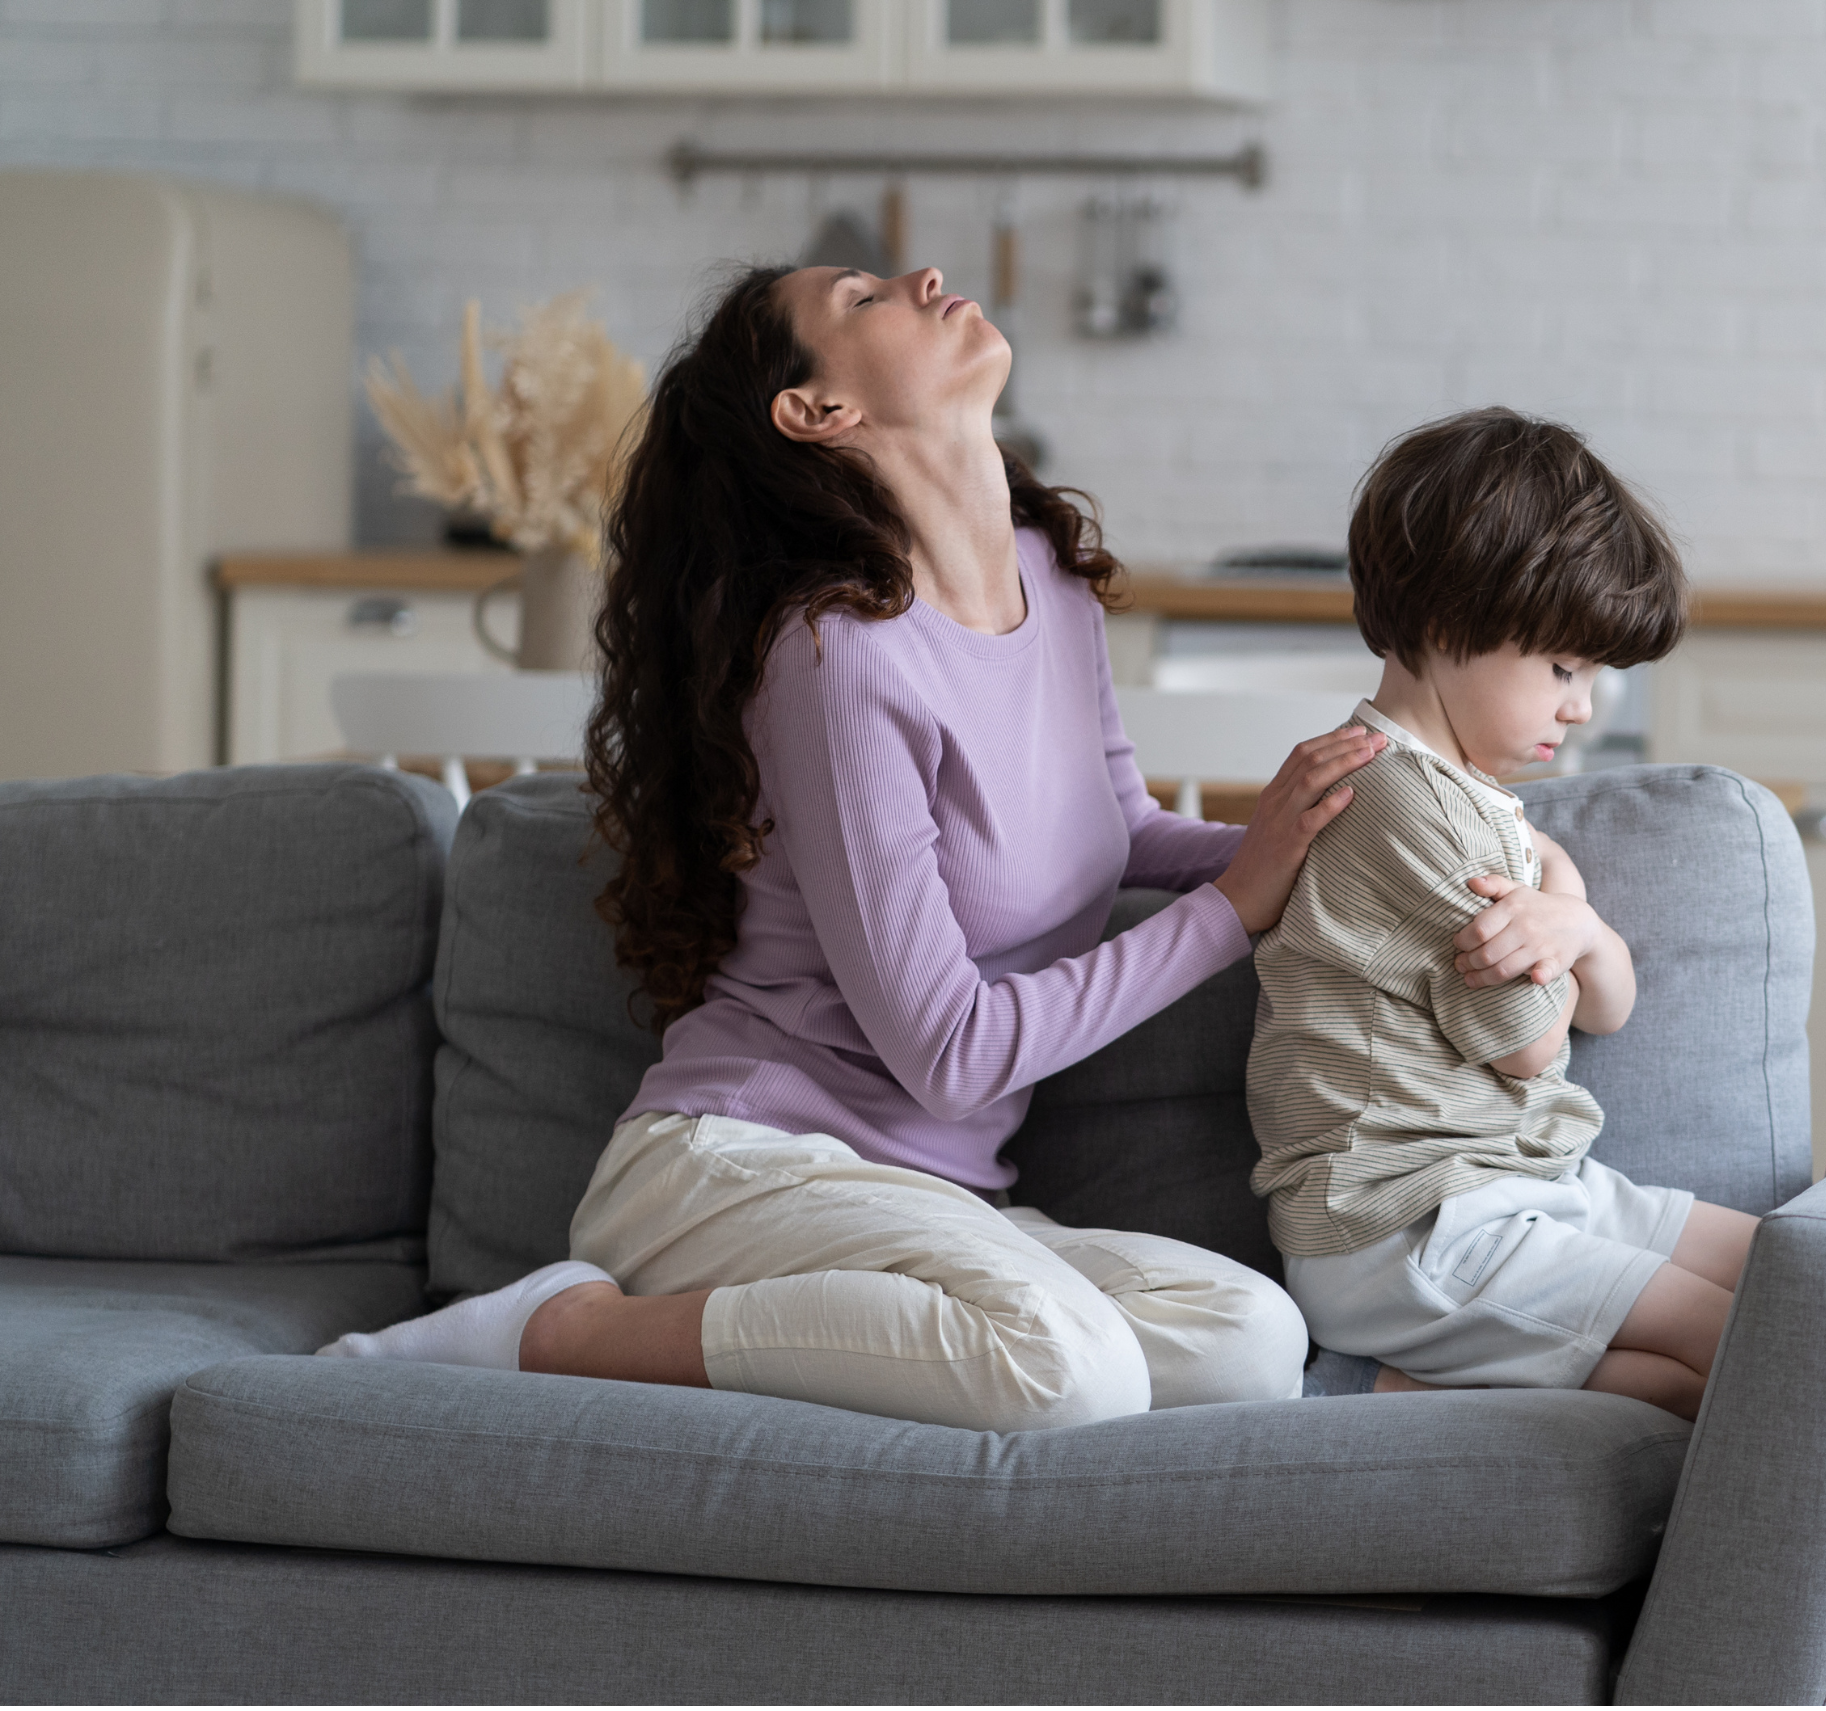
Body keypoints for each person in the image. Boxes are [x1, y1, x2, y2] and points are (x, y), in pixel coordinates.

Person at [321, 260, 1398, 1433]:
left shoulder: (1052, 586)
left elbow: (1122, 829)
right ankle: (551, 1331)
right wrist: (1232, 910)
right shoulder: (839, 657)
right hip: (745, 1169)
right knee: (1065, 1372)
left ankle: (935, 1322)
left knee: (1249, 1339)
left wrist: (1317, 837)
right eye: (862, 296)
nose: (923, 274)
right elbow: (952, 1054)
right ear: (818, 411)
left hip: (928, 1199)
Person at [1252, 407, 1760, 1422]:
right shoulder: (1406, 803)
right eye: (1562, 669)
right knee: (1749, 1344)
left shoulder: (1465, 796)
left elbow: (1605, 1007)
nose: (1581, 707)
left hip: (1520, 1181)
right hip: (1405, 1227)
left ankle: (1393, 1383)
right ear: (1447, 626)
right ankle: (1353, 1384)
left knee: (1798, 1273)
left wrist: (1575, 928)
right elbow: (1529, 1047)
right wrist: (1562, 902)